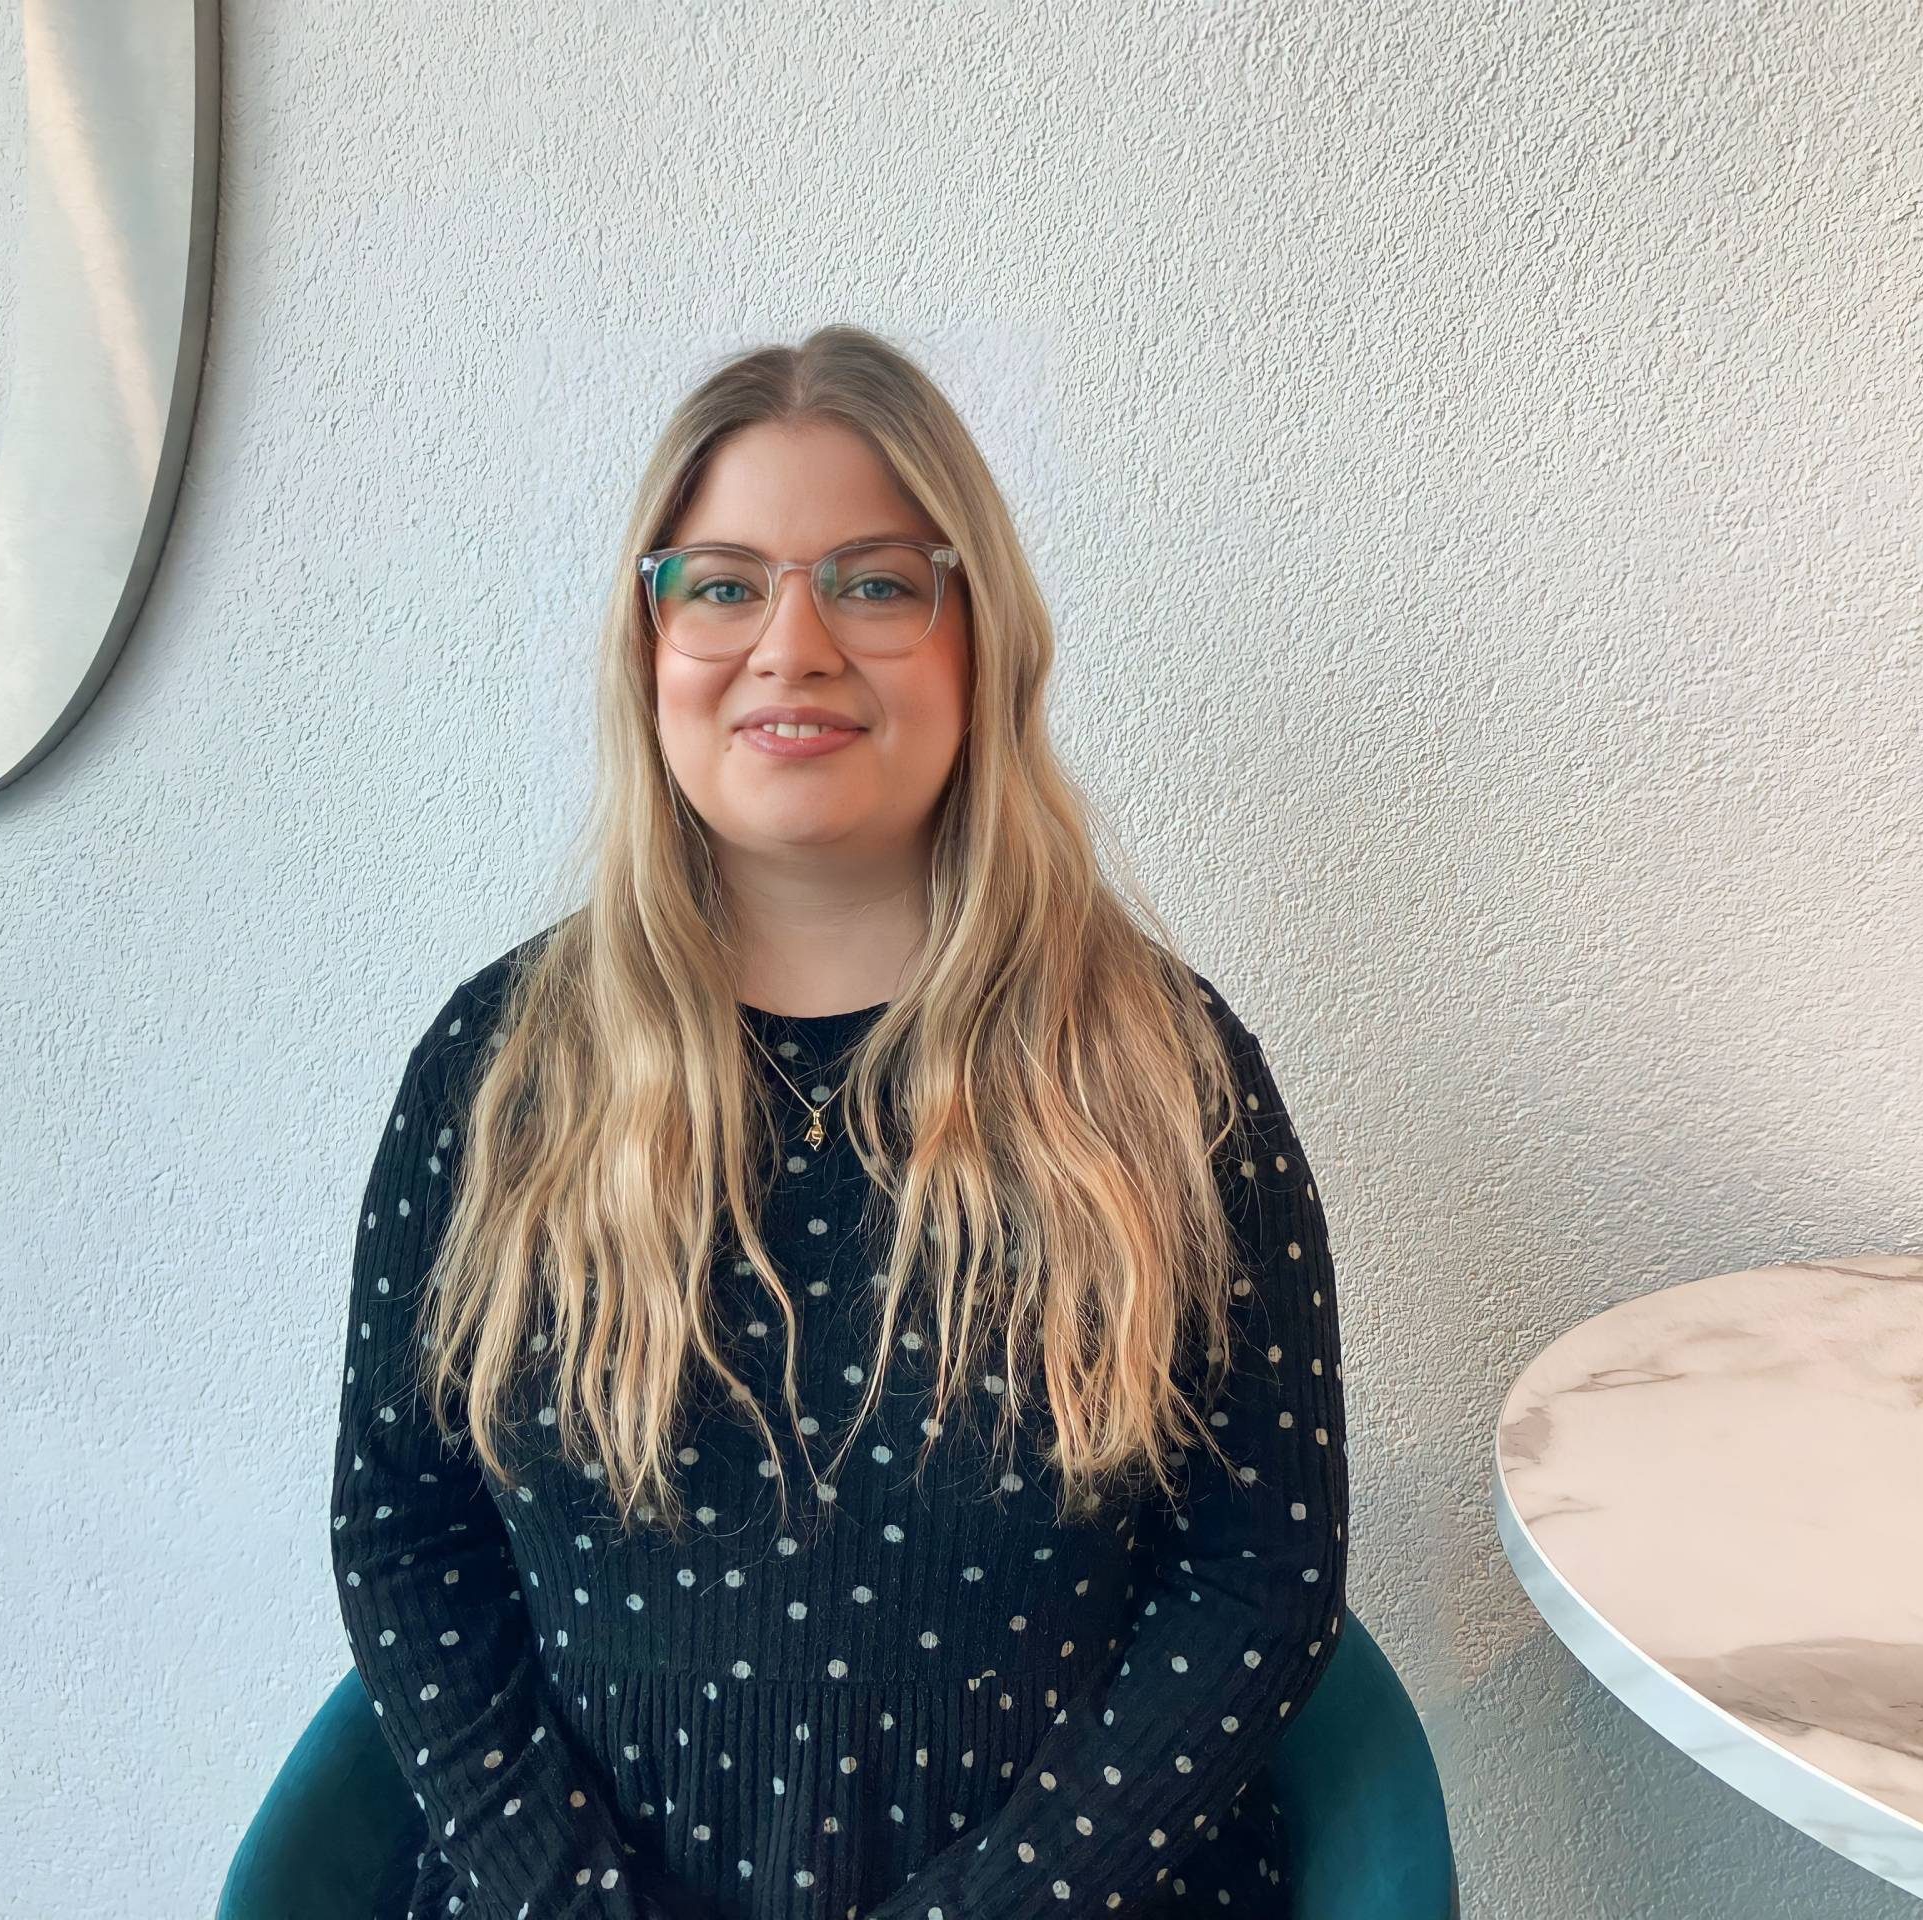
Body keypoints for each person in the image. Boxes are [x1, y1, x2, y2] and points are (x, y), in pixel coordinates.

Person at [330, 324, 1348, 1920]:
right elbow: (402, 1533)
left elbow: (1261, 1575)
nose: (791, 644)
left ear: (977, 639)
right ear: (648, 643)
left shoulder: (1166, 1073)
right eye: (723, 583)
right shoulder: (496, 1073)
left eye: (874, 582)